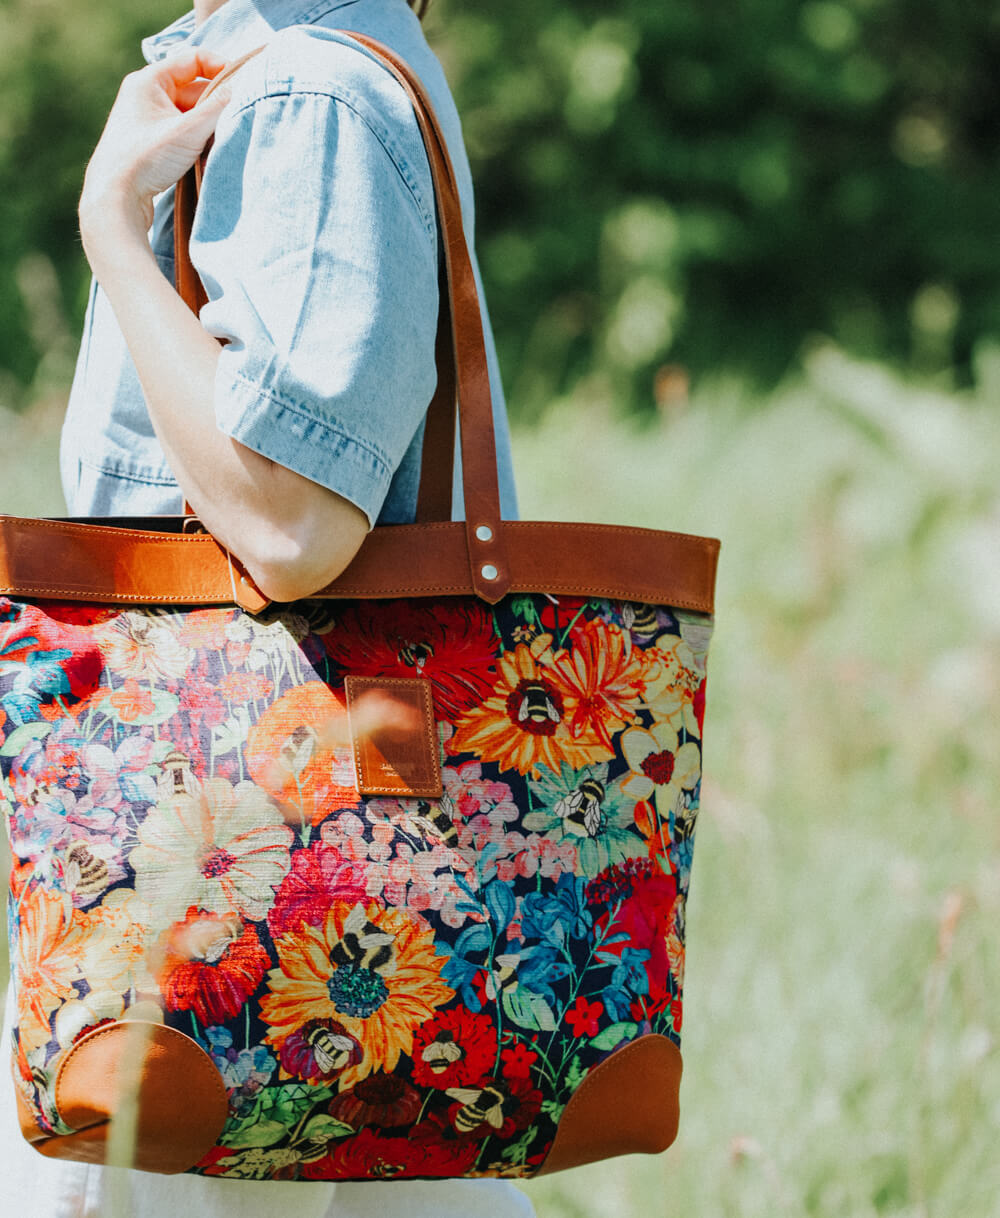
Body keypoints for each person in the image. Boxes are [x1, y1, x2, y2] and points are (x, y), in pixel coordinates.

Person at [1, 0, 531, 1214]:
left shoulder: (309, 96)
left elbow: (292, 528)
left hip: (242, 879)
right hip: (332, 881)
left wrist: (111, 230)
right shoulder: (313, 67)